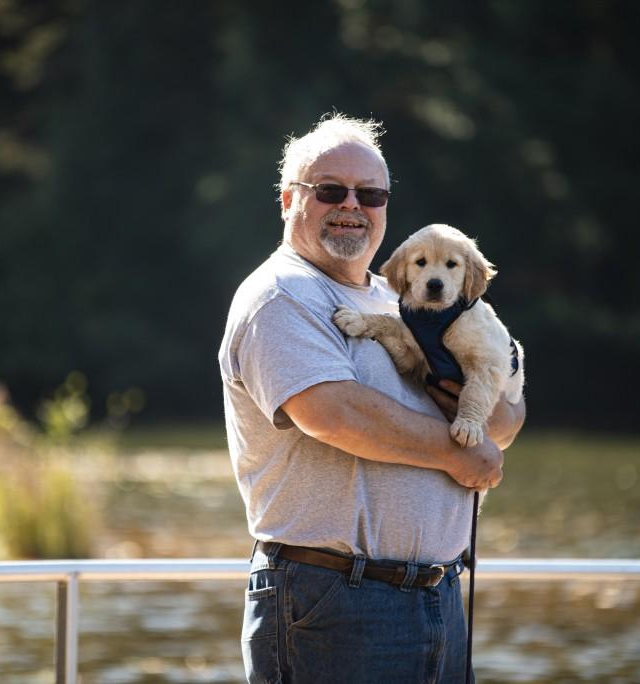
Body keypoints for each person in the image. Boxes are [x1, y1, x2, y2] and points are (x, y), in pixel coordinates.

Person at [218, 113, 525, 683]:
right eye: (330, 190)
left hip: (437, 594)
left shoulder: (407, 294)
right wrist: (460, 451)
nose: (352, 205)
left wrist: (488, 414)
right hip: (336, 598)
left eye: (372, 194)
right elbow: (336, 413)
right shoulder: (282, 296)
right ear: (288, 199)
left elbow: (505, 416)